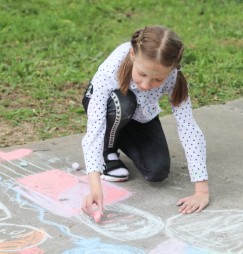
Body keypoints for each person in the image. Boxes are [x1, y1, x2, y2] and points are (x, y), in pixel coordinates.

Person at [81, 26, 209, 218]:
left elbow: (188, 127)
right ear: (133, 55)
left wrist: (202, 191)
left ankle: (121, 137)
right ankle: (107, 152)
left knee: (157, 171)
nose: (147, 85)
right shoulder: (112, 68)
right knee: (123, 104)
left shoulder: (174, 77)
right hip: (112, 108)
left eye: (158, 79)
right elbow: (95, 126)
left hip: (141, 115)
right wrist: (95, 185)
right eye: (142, 74)